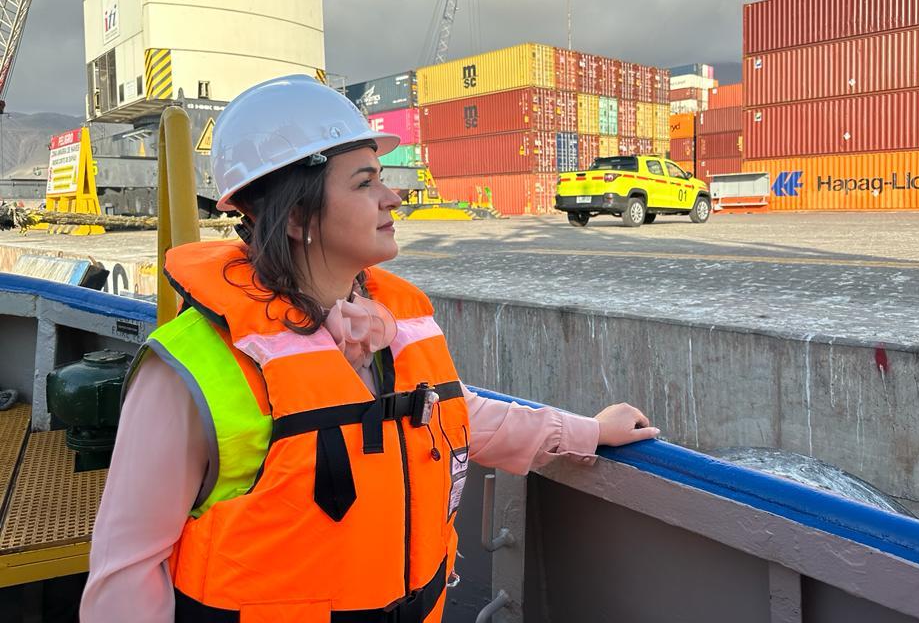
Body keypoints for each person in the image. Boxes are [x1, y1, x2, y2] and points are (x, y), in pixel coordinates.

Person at [80, 75, 660, 623]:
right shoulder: (193, 365)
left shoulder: (394, 325)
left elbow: (458, 417)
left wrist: (588, 431)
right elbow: (125, 575)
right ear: (299, 216)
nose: (393, 197)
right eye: (365, 183)